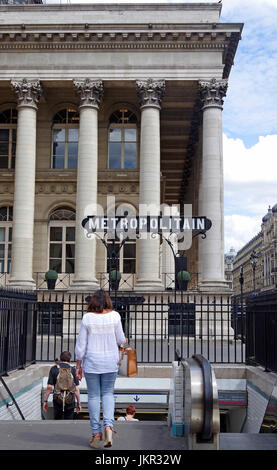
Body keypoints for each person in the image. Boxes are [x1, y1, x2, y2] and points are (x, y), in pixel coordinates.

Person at [75, 289, 126, 449]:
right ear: (108, 301)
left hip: (92, 362)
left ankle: (96, 433)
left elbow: (81, 345)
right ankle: (109, 427)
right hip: (110, 362)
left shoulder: (87, 318)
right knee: (108, 394)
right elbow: (121, 340)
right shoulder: (115, 316)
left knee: (93, 397)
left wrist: (78, 365)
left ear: (93, 301)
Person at [43, 351, 81, 419]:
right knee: (69, 421)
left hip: (57, 399)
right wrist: (79, 403)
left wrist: (45, 401)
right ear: (70, 360)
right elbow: (76, 389)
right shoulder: (73, 370)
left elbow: (49, 387)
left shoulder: (54, 369)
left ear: (60, 359)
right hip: (70, 399)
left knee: (57, 420)